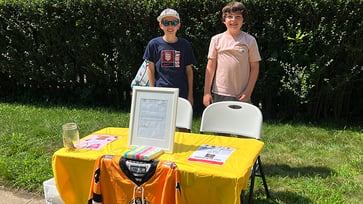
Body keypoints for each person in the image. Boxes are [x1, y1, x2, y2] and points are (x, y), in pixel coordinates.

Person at [203, 2, 261, 107]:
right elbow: (210, 67)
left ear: (243, 20)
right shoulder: (216, 40)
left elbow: (255, 68)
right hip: (220, 92)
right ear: (224, 20)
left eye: (238, 17)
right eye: (230, 17)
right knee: (221, 122)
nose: (233, 20)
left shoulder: (250, 40)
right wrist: (206, 92)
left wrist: (248, 92)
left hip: (241, 94)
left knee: (241, 122)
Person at [143, 8, 196, 105]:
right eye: (166, 22)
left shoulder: (185, 45)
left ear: (178, 25)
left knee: (179, 120)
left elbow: (189, 70)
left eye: (174, 22)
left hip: (181, 93)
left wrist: (190, 94)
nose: (170, 26)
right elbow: (150, 68)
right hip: (160, 92)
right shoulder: (153, 44)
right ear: (161, 25)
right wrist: (152, 90)